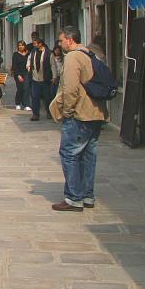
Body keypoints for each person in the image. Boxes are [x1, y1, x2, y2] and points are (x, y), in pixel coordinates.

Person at [49, 26, 108, 212]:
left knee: (69, 154)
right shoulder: (90, 54)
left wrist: (67, 111)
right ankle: (87, 195)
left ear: (69, 39)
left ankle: (74, 197)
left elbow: (70, 88)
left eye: (61, 40)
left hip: (80, 114)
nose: (59, 44)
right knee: (88, 156)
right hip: (96, 113)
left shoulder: (73, 57)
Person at [27, 37, 53, 121]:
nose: (33, 45)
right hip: (35, 78)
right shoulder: (33, 51)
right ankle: (35, 114)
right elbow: (29, 59)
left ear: (40, 44)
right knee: (35, 97)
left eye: (35, 43)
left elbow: (53, 65)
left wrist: (55, 77)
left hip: (45, 78)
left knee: (47, 97)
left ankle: (49, 112)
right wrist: (28, 66)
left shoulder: (48, 53)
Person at [10, 41, 29, 111]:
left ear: (24, 46)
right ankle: (17, 103)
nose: (21, 47)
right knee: (20, 88)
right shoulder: (15, 54)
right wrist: (18, 75)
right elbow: (14, 66)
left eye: (22, 45)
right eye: (19, 45)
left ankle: (26, 104)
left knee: (26, 88)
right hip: (18, 73)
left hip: (26, 73)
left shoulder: (28, 54)